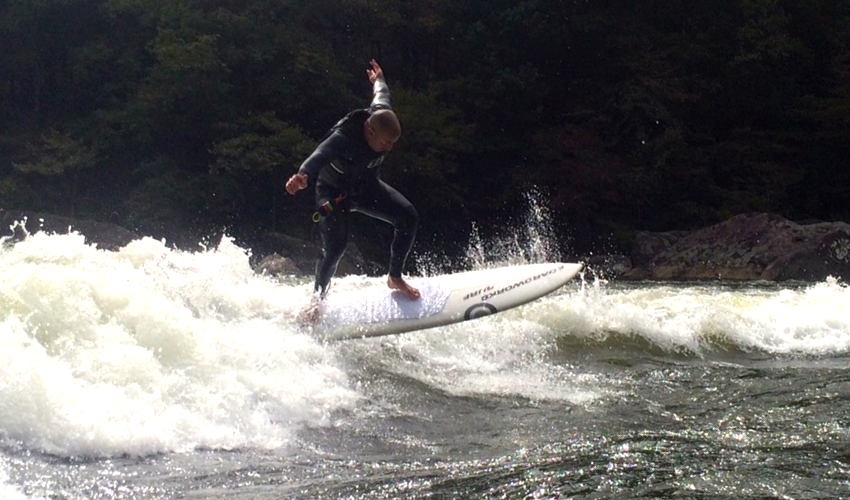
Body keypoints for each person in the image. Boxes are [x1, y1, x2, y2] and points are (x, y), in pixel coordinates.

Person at [285, 59, 421, 301]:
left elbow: (382, 92)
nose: (389, 148)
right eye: (385, 143)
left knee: (408, 216)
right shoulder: (343, 137)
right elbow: (319, 156)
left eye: (392, 143)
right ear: (369, 132)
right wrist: (301, 176)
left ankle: (395, 277)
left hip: (366, 188)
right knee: (335, 249)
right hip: (333, 194)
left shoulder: (382, 111)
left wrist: (378, 78)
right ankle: (317, 299)